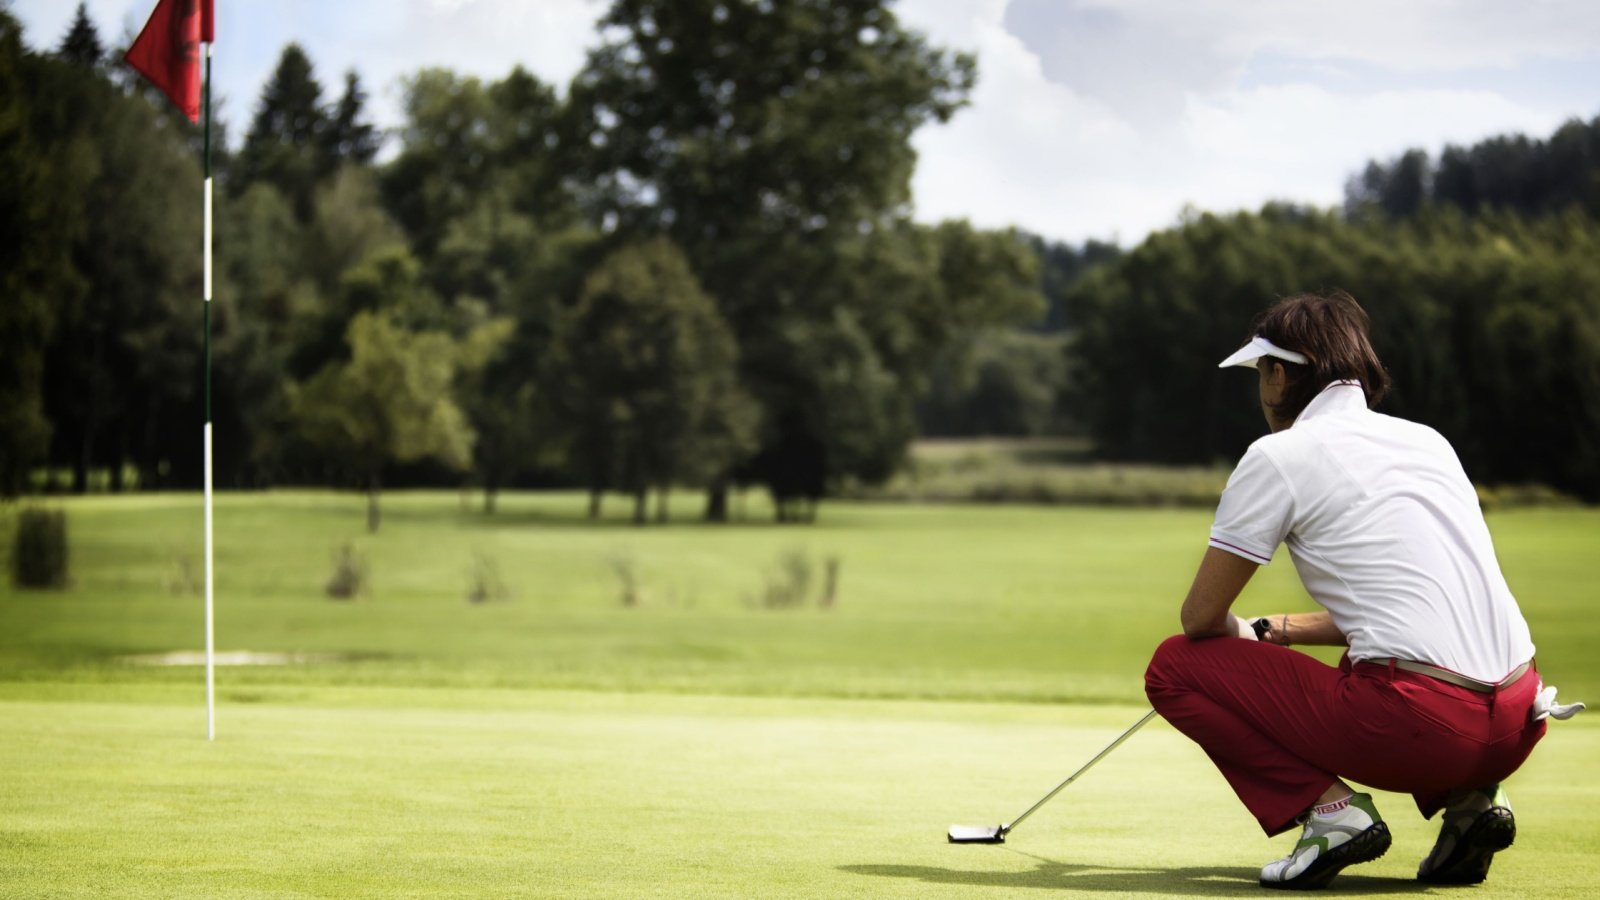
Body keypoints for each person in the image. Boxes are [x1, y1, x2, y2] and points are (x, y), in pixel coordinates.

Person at [1143, 290, 1583, 890]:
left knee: (1174, 665)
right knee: (1373, 656)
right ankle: (1470, 808)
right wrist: (1274, 632)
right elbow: (1406, 606)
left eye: (1260, 375)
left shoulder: (1278, 454)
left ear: (1277, 375)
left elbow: (1200, 619)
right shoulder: (1429, 441)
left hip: (1422, 730)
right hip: (1515, 722)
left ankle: (1331, 814)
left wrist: (1239, 638)